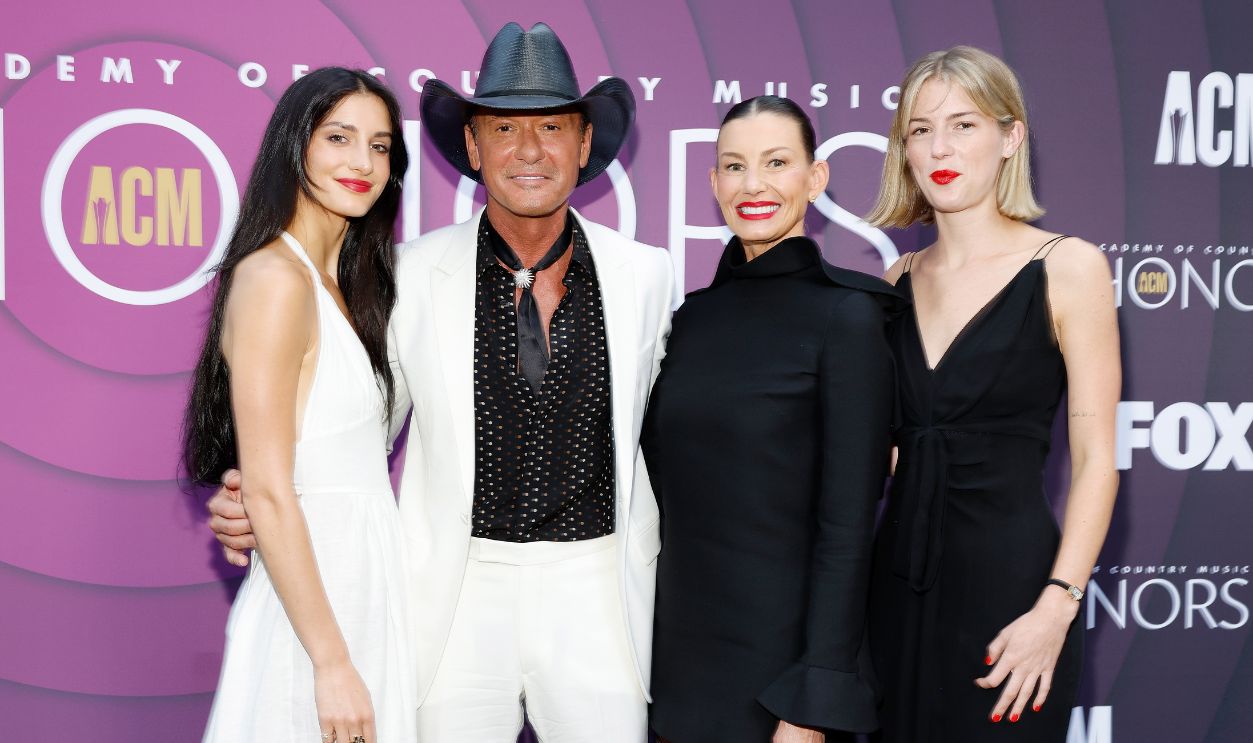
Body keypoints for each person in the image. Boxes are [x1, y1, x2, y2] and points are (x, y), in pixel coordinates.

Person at [207, 23, 673, 742]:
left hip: (600, 591)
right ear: (473, 147)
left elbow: (684, 431)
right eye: (503, 128)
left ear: (584, 145)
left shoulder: (647, 274)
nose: (528, 150)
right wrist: (252, 496)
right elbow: (348, 419)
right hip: (453, 596)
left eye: (552, 126)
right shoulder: (406, 274)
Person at [864, 46, 1120, 741]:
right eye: (919, 129)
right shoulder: (891, 281)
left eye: (963, 125)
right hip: (891, 592)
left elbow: (1097, 458)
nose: (939, 147)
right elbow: (882, 453)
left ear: (1010, 137)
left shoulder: (1067, 267)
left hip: (1013, 602)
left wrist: (1055, 607)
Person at [643, 95, 902, 743]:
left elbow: (847, 528)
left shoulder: (849, 316)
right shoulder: (690, 320)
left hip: (781, 682)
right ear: (712, 184)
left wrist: (812, 700)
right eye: (733, 167)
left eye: (776, 162)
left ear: (814, 178)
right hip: (676, 671)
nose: (752, 184)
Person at [185, 68, 414, 743]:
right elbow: (268, 488)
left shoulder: (360, 288)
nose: (361, 162)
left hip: (370, 584)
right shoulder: (273, 277)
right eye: (338, 137)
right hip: (312, 603)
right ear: (295, 145)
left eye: (379, 146)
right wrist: (330, 661)